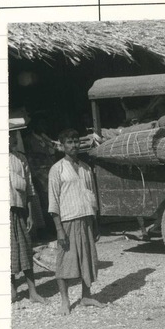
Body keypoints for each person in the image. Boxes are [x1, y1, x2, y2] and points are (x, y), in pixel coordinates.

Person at [48, 128, 105, 315]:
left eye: (75, 141)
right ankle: (65, 301)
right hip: (68, 221)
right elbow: (53, 201)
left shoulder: (86, 168)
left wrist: (95, 222)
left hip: (86, 219)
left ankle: (86, 296)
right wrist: (59, 229)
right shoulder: (57, 169)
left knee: (87, 259)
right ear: (62, 146)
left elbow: (92, 197)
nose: (74, 145)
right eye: (69, 142)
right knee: (65, 262)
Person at [9, 128, 46, 304]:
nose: (10, 138)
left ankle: (33, 292)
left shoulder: (21, 158)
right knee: (7, 251)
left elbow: (30, 188)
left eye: (13, 135)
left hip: (20, 210)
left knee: (25, 249)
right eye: (7, 135)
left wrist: (31, 215)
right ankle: (12, 289)